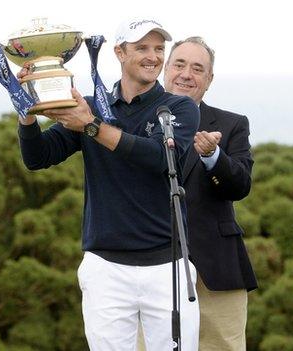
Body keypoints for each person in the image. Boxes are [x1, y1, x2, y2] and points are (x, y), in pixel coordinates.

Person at [17, 18, 200, 350]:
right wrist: (27, 110)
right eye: (142, 48)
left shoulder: (177, 107)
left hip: (167, 267)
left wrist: (91, 126)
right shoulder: (91, 107)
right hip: (106, 270)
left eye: (159, 49)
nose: (153, 56)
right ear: (119, 52)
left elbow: (159, 157)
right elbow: (38, 157)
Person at [163, 36, 258, 350]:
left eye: (197, 68)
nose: (186, 74)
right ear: (166, 69)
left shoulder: (231, 125)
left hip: (216, 267)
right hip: (149, 263)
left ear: (209, 79)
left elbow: (241, 185)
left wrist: (213, 157)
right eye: (179, 64)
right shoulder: (136, 120)